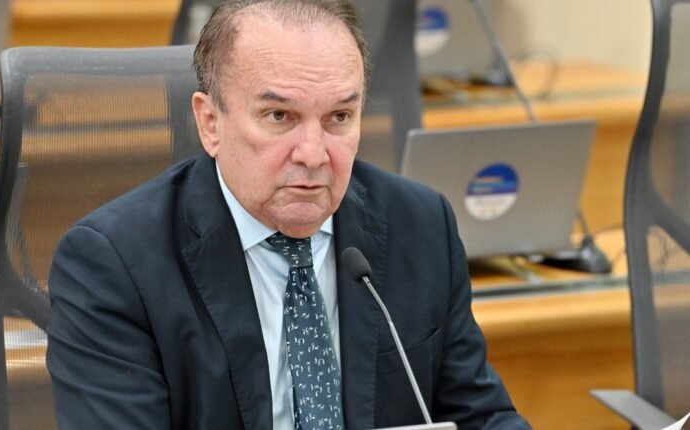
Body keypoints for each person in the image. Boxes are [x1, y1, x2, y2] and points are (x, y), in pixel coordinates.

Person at [46, 0, 531, 429]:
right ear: (210, 123)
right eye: (280, 117)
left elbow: (480, 415)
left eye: (339, 117)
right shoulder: (114, 265)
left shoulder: (420, 225)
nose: (314, 154)